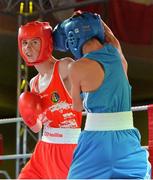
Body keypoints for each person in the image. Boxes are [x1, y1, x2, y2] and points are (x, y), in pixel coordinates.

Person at [54, 11, 151, 179]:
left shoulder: (76, 68)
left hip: (95, 141)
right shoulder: (117, 54)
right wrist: (89, 18)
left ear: (72, 40)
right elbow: (109, 34)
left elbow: (76, 107)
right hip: (127, 138)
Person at [17, 21, 82, 179]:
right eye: (24, 43)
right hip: (44, 146)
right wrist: (29, 118)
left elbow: (88, 84)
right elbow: (37, 128)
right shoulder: (34, 83)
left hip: (67, 147)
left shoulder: (64, 68)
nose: (28, 48)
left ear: (46, 42)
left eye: (34, 42)